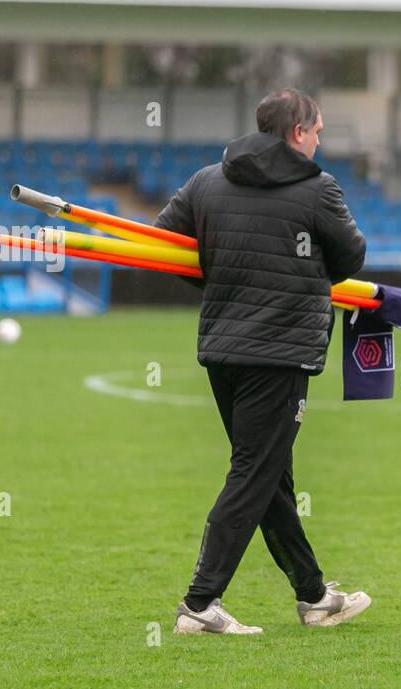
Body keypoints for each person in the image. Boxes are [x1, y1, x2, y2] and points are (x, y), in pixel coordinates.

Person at [156, 88, 372, 635]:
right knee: (254, 473)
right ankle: (200, 603)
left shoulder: (206, 180)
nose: (320, 140)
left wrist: (216, 280)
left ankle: (314, 595)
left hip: (222, 351)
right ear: (297, 132)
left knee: (269, 473)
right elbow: (350, 257)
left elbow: (161, 242)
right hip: (280, 355)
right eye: (318, 130)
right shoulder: (318, 188)